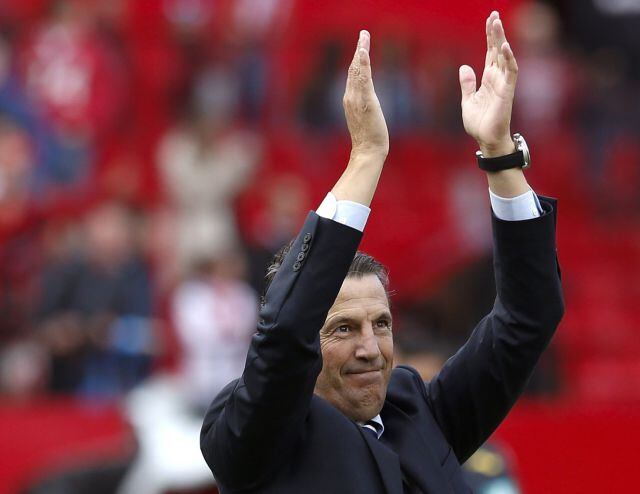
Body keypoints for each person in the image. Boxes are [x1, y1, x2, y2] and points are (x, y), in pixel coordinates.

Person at [200, 11, 564, 493]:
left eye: (382, 324)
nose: (370, 349)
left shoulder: (417, 411)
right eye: (343, 329)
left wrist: (499, 153)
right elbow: (285, 332)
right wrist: (367, 155)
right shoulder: (250, 431)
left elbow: (528, 319)